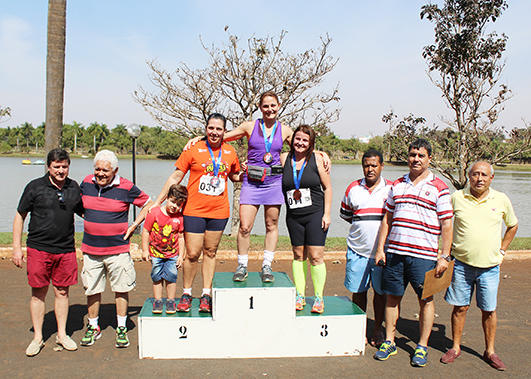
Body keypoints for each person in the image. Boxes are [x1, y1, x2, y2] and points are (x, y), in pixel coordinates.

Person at [185, 91, 330, 283]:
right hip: (251, 183)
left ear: (278, 106)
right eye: (265, 106)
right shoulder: (249, 126)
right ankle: (242, 265)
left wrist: (321, 153)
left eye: (273, 106)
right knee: (244, 227)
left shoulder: (285, 130)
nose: (269, 110)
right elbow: (221, 137)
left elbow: (302, 145)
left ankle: (267, 265)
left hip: (274, 183)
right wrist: (198, 139)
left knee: (271, 225)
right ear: (260, 108)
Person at [374, 138, 453, 367]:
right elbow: (387, 219)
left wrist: (444, 256)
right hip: (395, 254)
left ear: (429, 158)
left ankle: (422, 346)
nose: (415, 159)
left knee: (425, 300)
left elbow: (447, 225)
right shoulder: (396, 185)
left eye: (421, 155)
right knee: (392, 298)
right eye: (412, 155)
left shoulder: (440, 188)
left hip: (424, 256)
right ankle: (389, 341)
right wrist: (381, 249)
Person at [152, 113, 242, 314]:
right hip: (194, 210)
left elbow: (234, 175)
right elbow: (176, 176)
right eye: (211, 128)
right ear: (206, 128)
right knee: (192, 254)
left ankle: (206, 294)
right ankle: (186, 293)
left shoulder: (230, 151)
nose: (214, 132)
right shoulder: (193, 148)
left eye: (219, 129)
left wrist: (242, 173)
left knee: (210, 252)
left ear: (224, 131)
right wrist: (158, 202)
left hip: (219, 211)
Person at [440, 162, 517, 371]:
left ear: (492, 178)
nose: (479, 178)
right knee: (460, 307)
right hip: (462, 265)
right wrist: (444, 254)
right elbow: (444, 224)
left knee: (489, 310)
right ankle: (455, 347)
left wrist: (502, 250)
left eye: (484, 175)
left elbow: (513, 225)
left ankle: (490, 351)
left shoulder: (501, 199)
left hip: (490, 266)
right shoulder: (456, 197)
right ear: (469, 176)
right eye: (475, 174)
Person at [12, 148, 84, 356]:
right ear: (49, 167)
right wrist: (17, 248)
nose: (61, 170)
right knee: (38, 292)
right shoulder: (35, 187)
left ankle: (62, 335)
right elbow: (20, 215)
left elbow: (87, 211)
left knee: (62, 291)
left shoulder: (73, 187)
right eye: (57, 166)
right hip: (38, 248)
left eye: (64, 166)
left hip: (65, 249)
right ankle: (38, 337)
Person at [79, 150, 153, 348]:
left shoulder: (126, 187)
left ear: (115, 170)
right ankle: (93, 327)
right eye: (97, 169)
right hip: (91, 250)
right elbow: (79, 204)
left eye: (105, 170)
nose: (100, 173)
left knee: (121, 289)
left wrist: (134, 224)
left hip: (118, 250)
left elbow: (148, 204)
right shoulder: (86, 182)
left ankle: (121, 327)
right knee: (92, 290)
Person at [340, 149, 391, 346]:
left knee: (380, 293)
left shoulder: (391, 189)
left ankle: (377, 330)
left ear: (381, 166)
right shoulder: (353, 188)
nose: (370, 169)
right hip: (357, 250)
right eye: (366, 165)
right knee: (358, 291)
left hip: (381, 253)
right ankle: (359, 328)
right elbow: (347, 215)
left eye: (374, 165)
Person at [280, 125, 332, 313]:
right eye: (297, 139)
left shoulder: (317, 160)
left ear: (310, 144)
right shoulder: (284, 158)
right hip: (293, 216)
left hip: (315, 214)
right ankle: (300, 296)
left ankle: (319, 298)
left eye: (305, 140)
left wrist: (327, 214)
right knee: (298, 255)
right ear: (292, 140)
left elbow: (327, 188)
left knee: (316, 256)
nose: (300, 143)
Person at [142, 184, 188, 314]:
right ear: (167, 198)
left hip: (172, 255)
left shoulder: (179, 218)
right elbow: (146, 231)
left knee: (171, 277)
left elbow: (180, 237)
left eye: (179, 204)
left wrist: (180, 255)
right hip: (155, 253)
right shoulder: (154, 212)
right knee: (157, 277)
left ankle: (170, 301)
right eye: (173, 201)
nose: (175, 206)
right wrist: (145, 250)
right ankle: (157, 301)